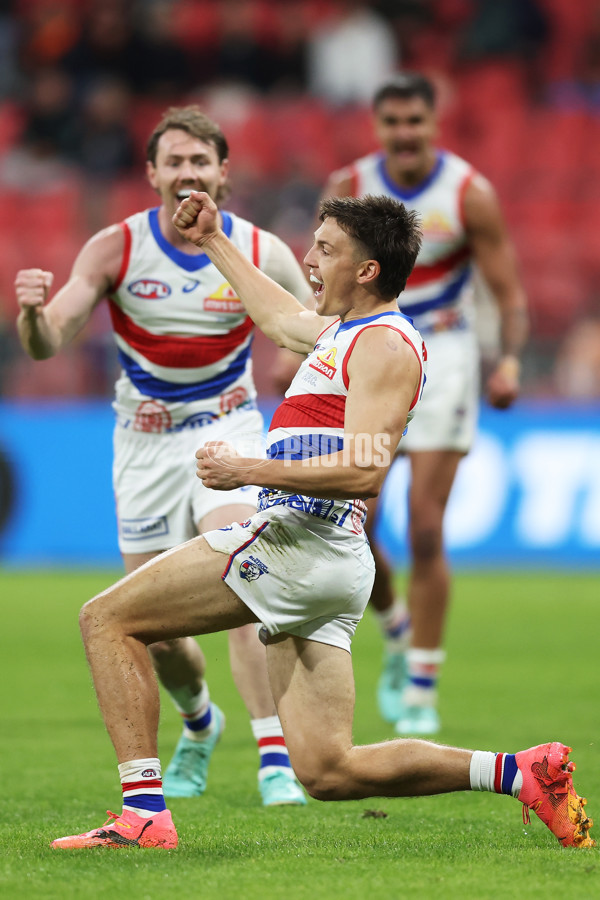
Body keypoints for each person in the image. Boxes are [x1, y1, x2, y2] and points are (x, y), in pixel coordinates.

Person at [48, 190, 593, 851]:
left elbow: (366, 468)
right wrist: (215, 240)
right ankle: (518, 772)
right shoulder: (348, 335)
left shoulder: (385, 346)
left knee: (106, 619)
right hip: (327, 559)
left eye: (326, 249)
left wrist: (250, 470)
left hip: (297, 540)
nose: (308, 260)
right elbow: (279, 320)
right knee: (328, 768)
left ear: (367, 271)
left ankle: (143, 816)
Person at [15, 105, 313, 807]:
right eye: (174, 161)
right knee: (152, 630)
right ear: (151, 174)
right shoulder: (114, 248)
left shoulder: (257, 248)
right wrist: (30, 316)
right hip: (143, 441)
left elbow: (316, 328)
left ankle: (274, 757)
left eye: (199, 161)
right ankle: (200, 721)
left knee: (242, 570)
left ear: (223, 172)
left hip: (227, 428)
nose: (187, 173)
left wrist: (295, 373)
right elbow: (49, 337)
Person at [321, 71, 529, 735]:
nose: (405, 134)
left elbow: (507, 290)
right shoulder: (351, 189)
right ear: (377, 128)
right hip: (373, 356)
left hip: (447, 359)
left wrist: (510, 360)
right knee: (359, 519)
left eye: (416, 121)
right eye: (393, 123)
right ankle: (395, 625)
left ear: (434, 123)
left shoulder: (469, 194)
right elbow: (322, 276)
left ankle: (422, 682)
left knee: (428, 527)